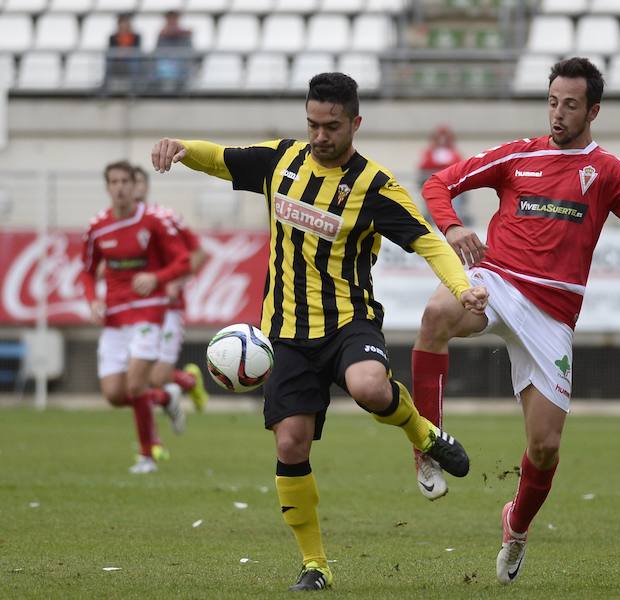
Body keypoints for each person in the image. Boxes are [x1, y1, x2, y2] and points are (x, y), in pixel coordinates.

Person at [150, 72, 488, 592]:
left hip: (348, 321)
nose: (319, 136)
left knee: (370, 387)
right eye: (312, 124)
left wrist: (461, 287)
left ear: (355, 123)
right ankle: (315, 565)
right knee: (290, 442)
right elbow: (220, 159)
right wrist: (180, 148)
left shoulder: (374, 186)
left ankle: (423, 435)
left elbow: (427, 241)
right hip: (283, 333)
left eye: (331, 126)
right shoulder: (281, 160)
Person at [409, 57, 620, 584]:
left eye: (570, 105)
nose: (558, 113)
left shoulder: (609, 171)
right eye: (552, 102)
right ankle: (427, 444)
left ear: (593, 109)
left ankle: (516, 526)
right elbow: (439, 184)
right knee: (435, 314)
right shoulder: (518, 156)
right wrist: (453, 228)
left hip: (551, 314)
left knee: (544, 448)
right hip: (495, 281)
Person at [80, 161, 192, 474]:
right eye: (113, 182)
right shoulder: (97, 227)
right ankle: (166, 398)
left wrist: (157, 278)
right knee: (114, 394)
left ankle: (148, 455)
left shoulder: (154, 222)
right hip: (115, 317)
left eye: (124, 181)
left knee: (135, 384)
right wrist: (93, 301)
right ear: (107, 187)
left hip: (149, 313)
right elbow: (87, 271)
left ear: (134, 185)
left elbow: (183, 261)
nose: (119, 187)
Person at [132, 165, 209, 416]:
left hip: (166, 306)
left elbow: (198, 253)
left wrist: (178, 281)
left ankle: (184, 386)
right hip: (133, 308)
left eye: (136, 182)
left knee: (157, 377)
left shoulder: (165, 217)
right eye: (122, 182)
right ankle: (186, 382)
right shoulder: (113, 223)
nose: (129, 188)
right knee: (131, 374)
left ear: (145, 186)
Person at [418, 125, 470, 226]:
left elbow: (459, 166)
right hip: (433, 185)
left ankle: (455, 224)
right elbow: (424, 165)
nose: (442, 140)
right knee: (432, 205)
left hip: (452, 186)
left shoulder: (454, 152)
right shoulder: (430, 152)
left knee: (454, 206)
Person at [154, 11, 193, 92]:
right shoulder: (162, 35)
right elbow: (158, 52)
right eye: (170, 19)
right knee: (164, 67)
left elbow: (188, 51)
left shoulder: (185, 35)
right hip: (166, 63)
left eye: (174, 19)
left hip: (181, 63)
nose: (172, 21)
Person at [106, 13, 143, 91]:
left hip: (130, 60)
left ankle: (135, 88)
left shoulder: (136, 36)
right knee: (108, 61)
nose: (124, 25)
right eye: (122, 22)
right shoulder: (113, 37)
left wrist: (127, 53)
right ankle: (106, 87)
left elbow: (137, 50)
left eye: (125, 22)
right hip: (117, 60)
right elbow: (111, 51)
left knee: (135, 62)